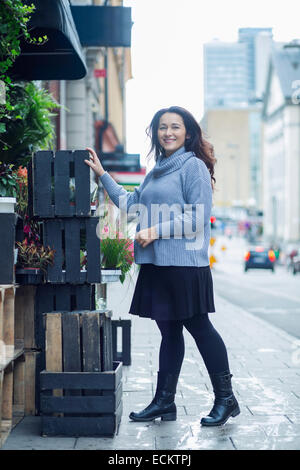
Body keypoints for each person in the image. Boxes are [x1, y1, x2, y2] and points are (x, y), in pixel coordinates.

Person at [85, 105, 240, 427]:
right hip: (157, 263)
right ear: (155, 133)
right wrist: (102, 175)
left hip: (184, 265)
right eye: (162, 127)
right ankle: (164, 402)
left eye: (175, 127)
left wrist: (155, 230)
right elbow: (131, 204)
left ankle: (226, 398)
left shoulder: (192, 167)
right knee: (169, 332)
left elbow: (197, 218)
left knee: (199, 328)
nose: (168, 132)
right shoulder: (157, 169)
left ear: (188, 133)